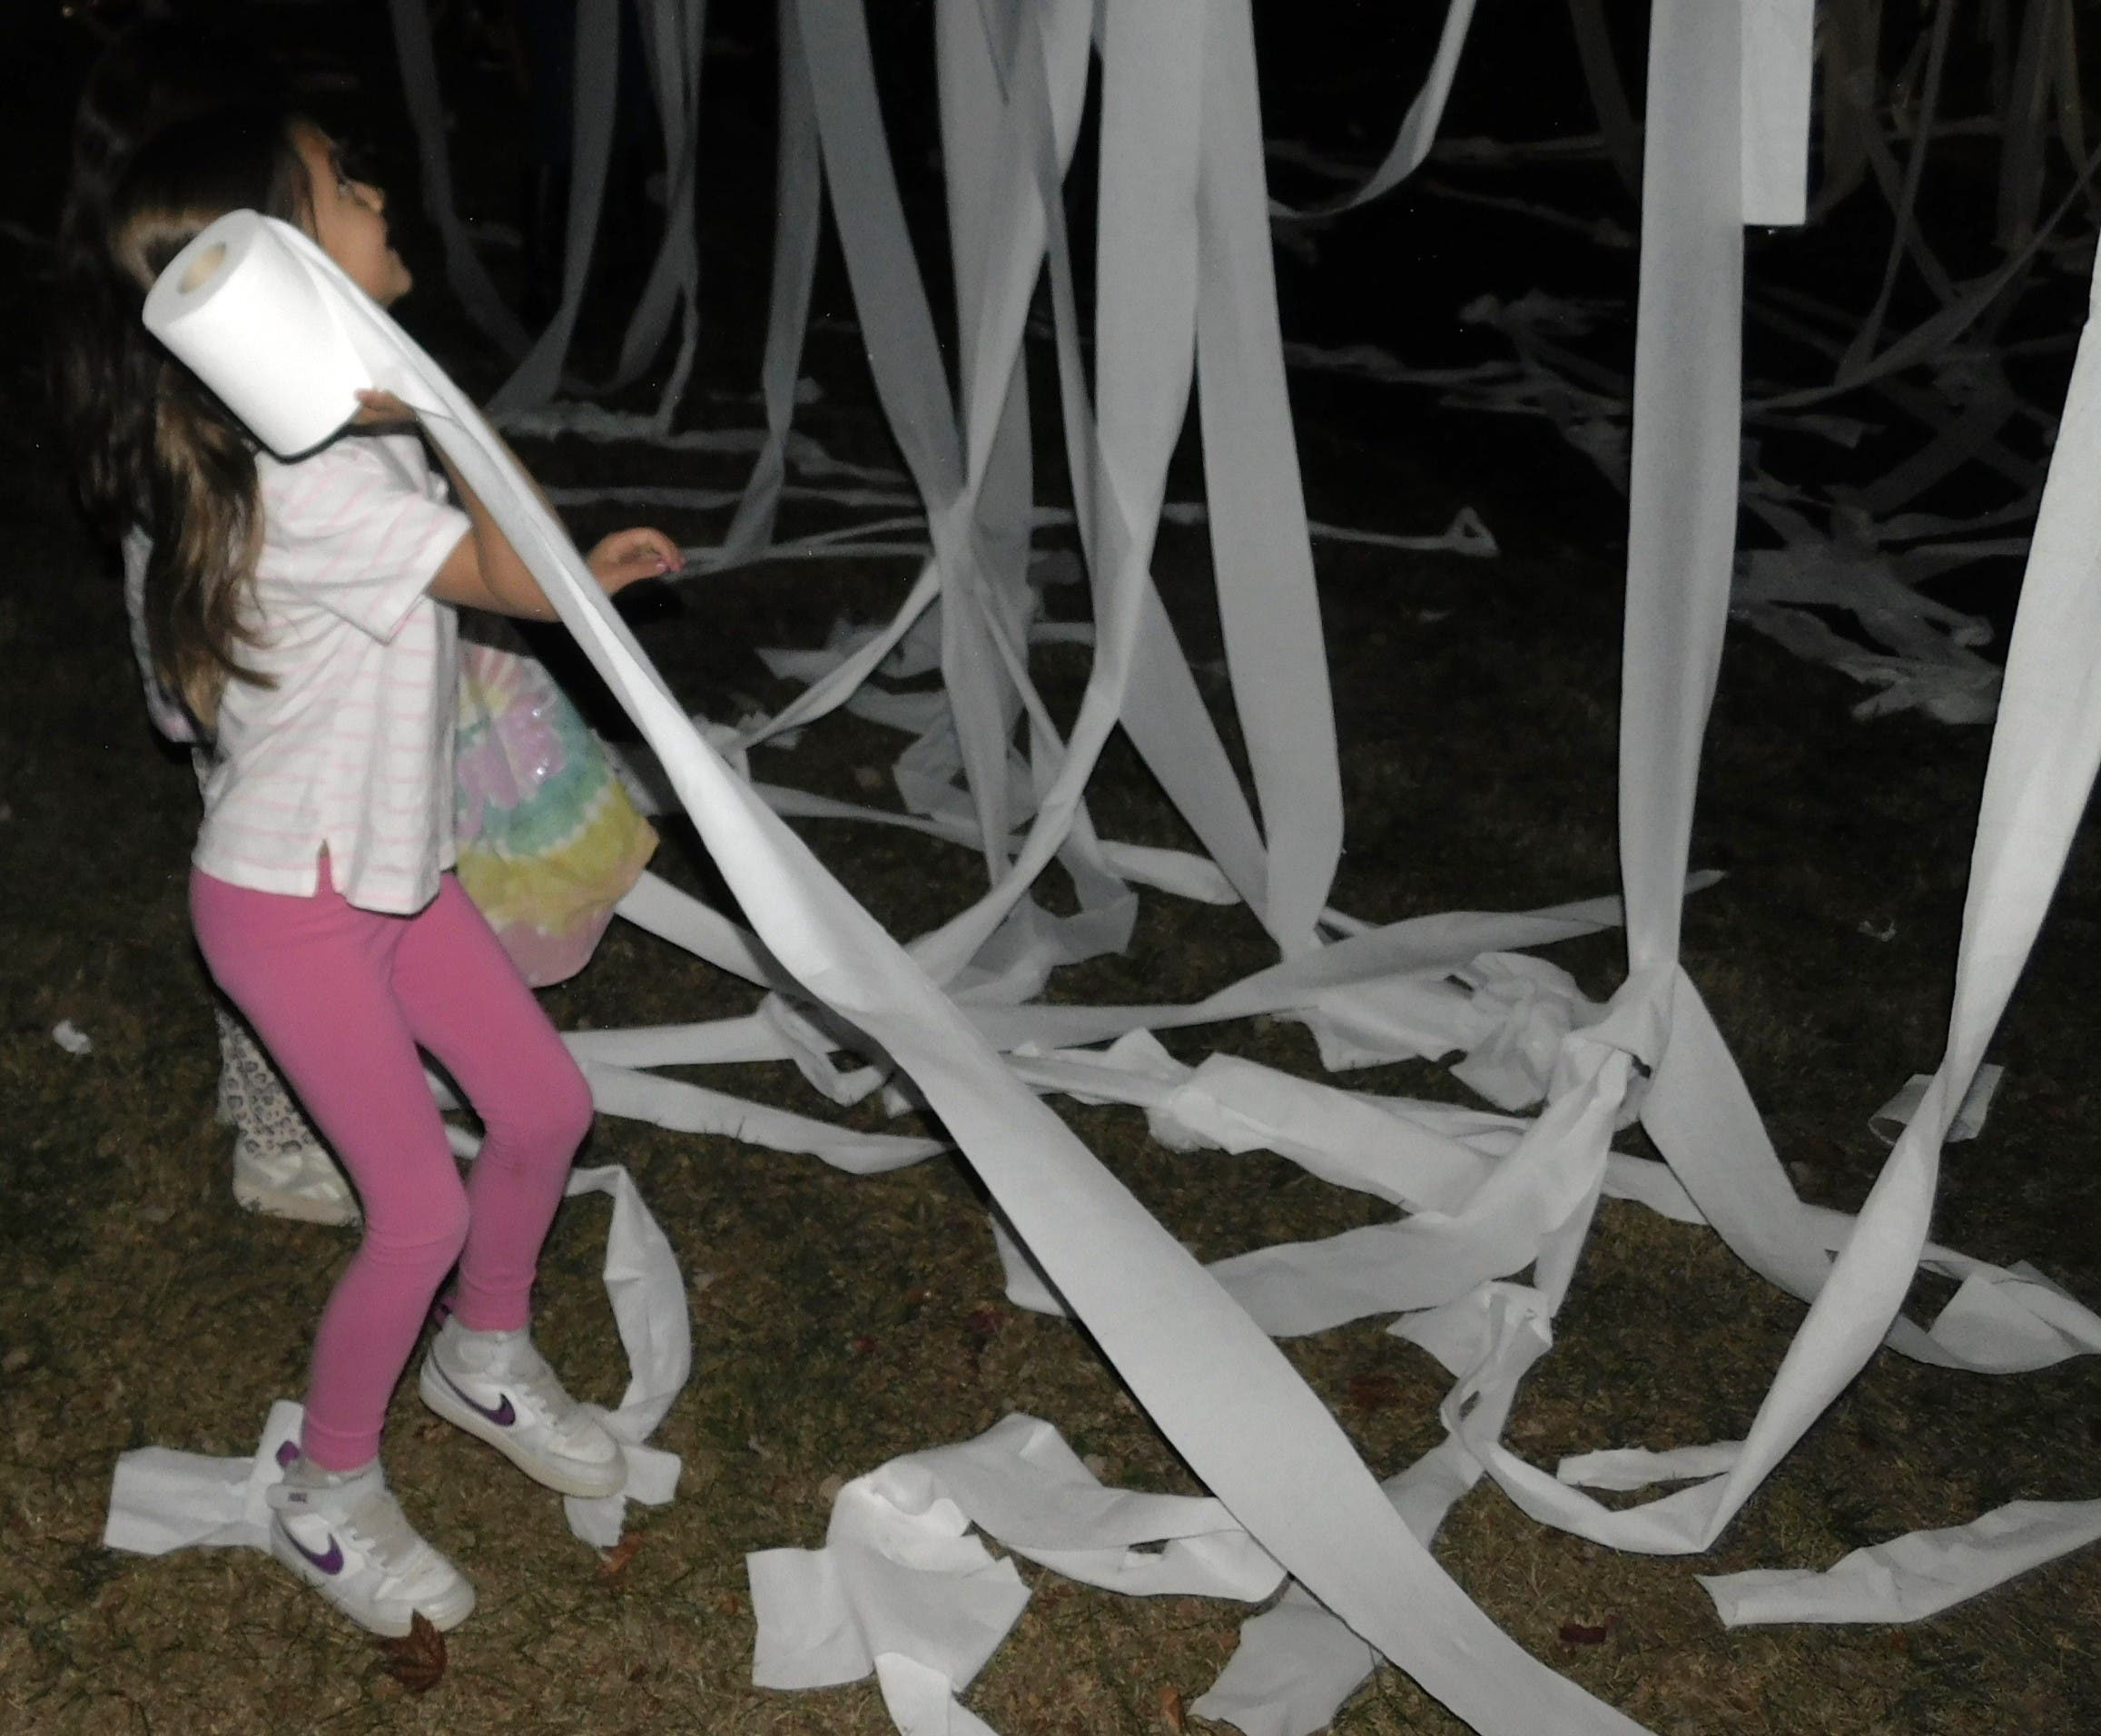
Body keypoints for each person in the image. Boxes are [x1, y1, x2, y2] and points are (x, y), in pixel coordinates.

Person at [54, 70, 682, 1638]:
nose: (381, 193)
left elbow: (507, 569)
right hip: (294, 909)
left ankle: (484, 1351)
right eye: (343, 184)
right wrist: (451, 433)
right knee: (418, 1214)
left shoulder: (341, 441)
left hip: (390, 875)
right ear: (277, 261)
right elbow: (515, 579)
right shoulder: (316, 474)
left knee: (546, 1107)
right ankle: (324, 1488)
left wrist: (435, 438)